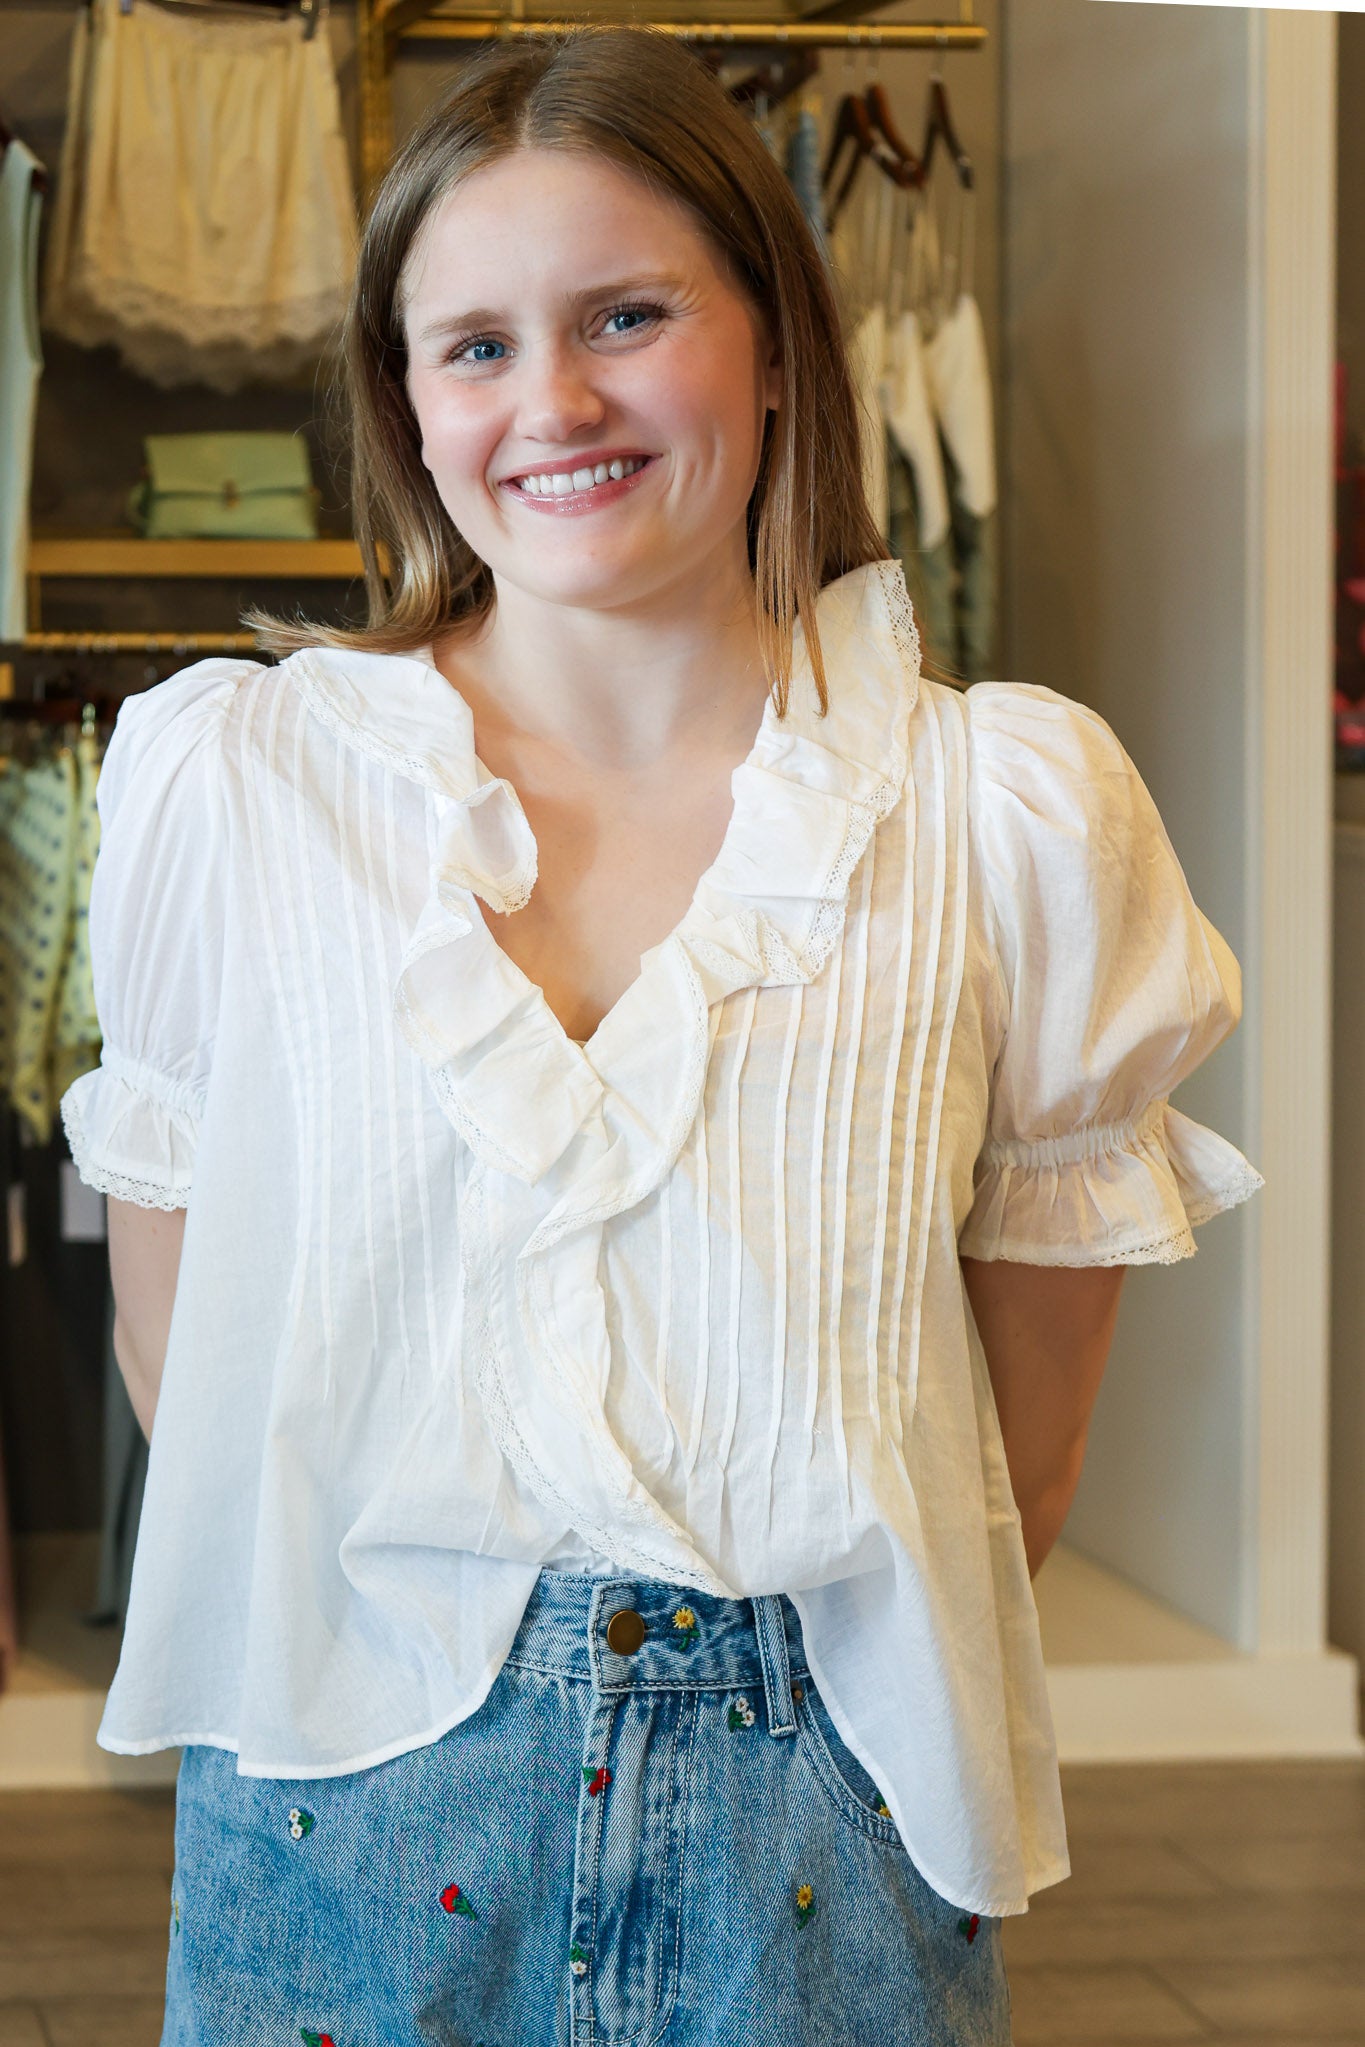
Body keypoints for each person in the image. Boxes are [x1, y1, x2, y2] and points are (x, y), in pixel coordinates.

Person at [62, 26, 1264, 2047]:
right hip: (343, 1792)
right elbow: (187, 1348)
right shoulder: (236, 785)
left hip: (824, 1806)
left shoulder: (1003, 815)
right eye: (474, 346)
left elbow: (1015, 1453)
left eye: (624, 314)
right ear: (409, 409)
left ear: (776, 342)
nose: (554, 399)